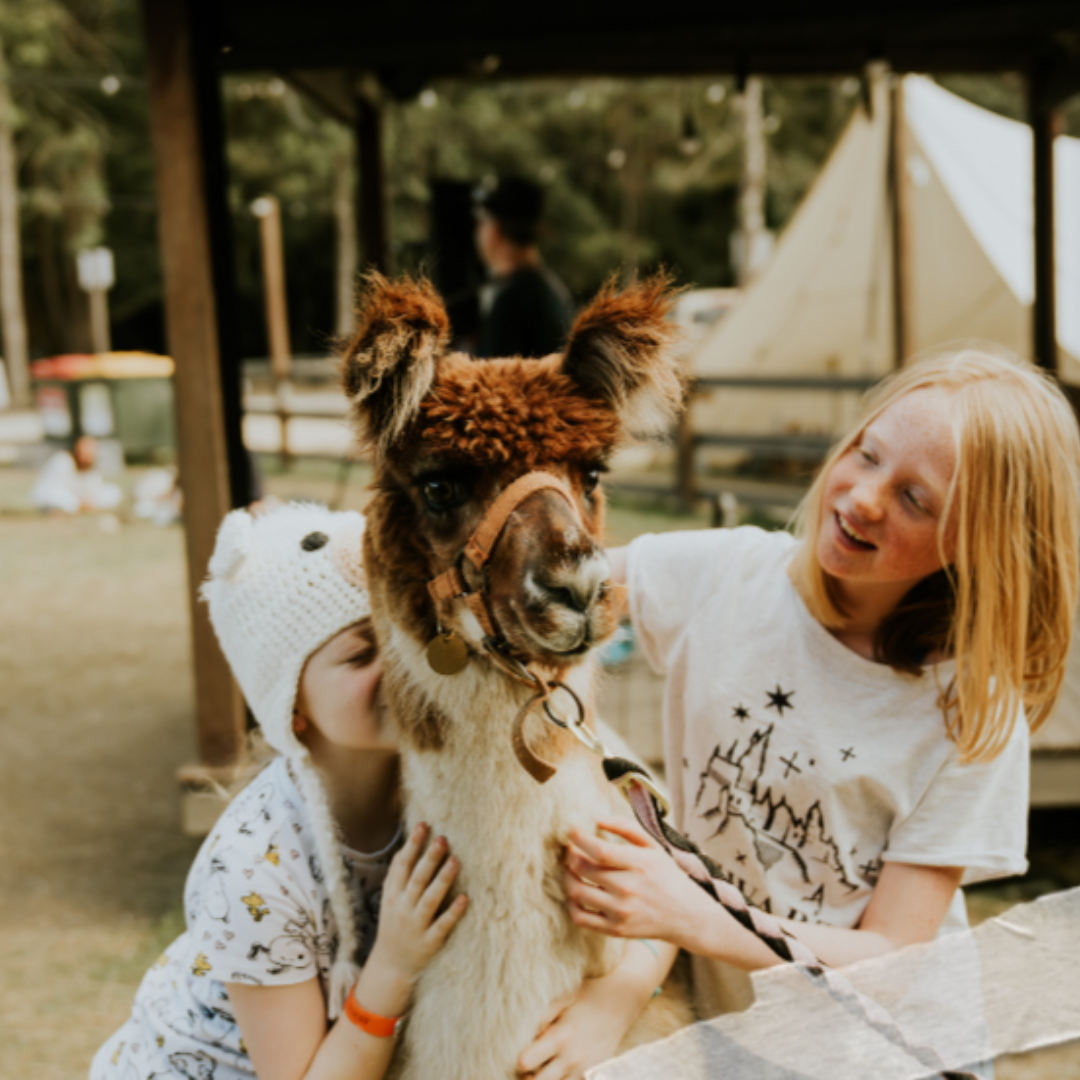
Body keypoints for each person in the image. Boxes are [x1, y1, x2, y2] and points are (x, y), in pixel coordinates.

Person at [562, 348, 1080, 1021]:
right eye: (868, 455)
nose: (864, 498)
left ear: (979, 541)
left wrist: (691, 915)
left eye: (915, 498)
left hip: (889, 1053)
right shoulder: (728, 574)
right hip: (731, 1036)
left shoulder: (971, 716)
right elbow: (556, 582)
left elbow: (893, 958)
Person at [91, 502, 669, 1080]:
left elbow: (668, 878)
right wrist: (393, 963)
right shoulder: (255, 873)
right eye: (361, 654)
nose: (399, 668)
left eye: (403, 638)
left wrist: (617, 996)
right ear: (291, 707)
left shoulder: (458, 774)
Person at [474, 176, 574, 359]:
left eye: (481, 223)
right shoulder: (548, 287)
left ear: (493, 230)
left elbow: (490, 373)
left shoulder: (514, 298)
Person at [31, 434, 122, 515]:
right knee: (60, 497)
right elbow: (57, 489)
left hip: (79, 500)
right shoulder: (63, 460)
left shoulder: (90, 467)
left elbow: (95, 489)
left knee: (113, 491)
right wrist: (78, 501)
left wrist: (87, 500)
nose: (87, 456)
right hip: (55, 496)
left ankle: (77, 508)